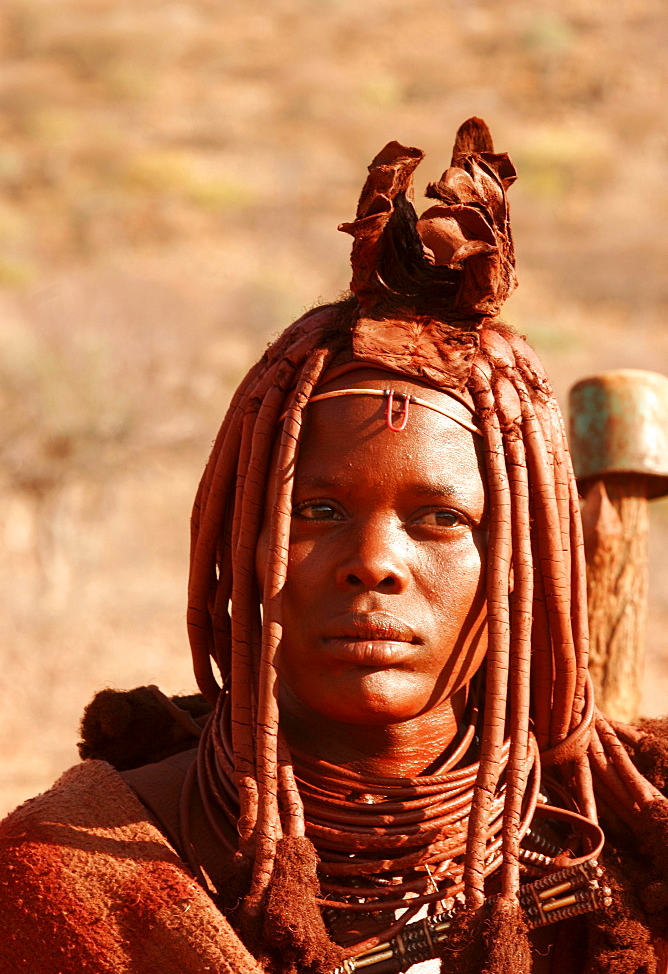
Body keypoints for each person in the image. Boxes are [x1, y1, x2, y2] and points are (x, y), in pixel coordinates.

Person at [1, 118, 667, 974]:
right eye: (315, 511)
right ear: (241, 545)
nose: (375, 563)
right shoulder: (70, 880)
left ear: (522, 564)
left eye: (440, 519)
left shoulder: (635, 858)